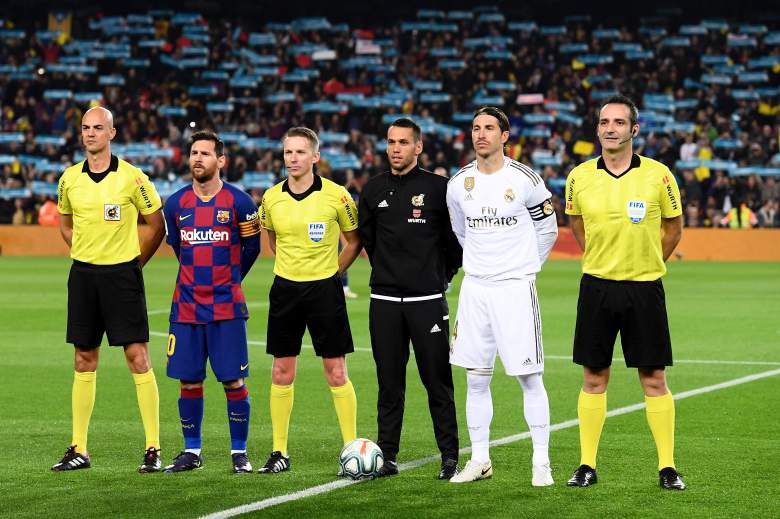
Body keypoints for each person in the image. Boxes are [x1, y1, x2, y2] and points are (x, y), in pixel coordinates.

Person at [564, 94, 686, 491]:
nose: (610, 128)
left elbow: (673, 229)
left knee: (653, 378)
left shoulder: (659, 175)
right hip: (597, 287)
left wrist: (647, 261)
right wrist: (603, 259)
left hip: (644, 287)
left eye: (618, 122)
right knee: (594, 377)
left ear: (634, 129)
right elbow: (578, 226)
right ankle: (586, 465)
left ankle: (667, 467)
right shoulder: (579, 176)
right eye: (604, 122)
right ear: (597, 128)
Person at [446, 107, 558, 486]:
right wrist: (484, 265)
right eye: (476, 128)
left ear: (505, 136)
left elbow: (548, 230)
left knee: (529, 376)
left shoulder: (525, 179)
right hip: (476, 288)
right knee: (475, 379)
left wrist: (523, 268)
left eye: (489, 128)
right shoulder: (458, 183)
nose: (481, 134)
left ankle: (541, 461)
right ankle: (480, 459)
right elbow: (461, 232)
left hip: (514, 288)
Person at [52, 106, 165, 473]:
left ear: (112, 133)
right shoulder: (69, 179)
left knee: (137, 357)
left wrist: (134, 265)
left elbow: (156, 225)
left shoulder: (133, 179)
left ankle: (153, 448)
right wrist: (83, 251)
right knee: (84, 359)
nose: (90, 134)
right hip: (84, 276)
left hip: (122, 276)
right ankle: (79, 448)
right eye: (85, 128)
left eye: (98, 128)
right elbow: (65, 223)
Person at [358, 118, 462, 480]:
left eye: (403, 142)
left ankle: (449, 457)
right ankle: (387, 457)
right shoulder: (371, 190)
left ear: (418, 147)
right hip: (384, 301)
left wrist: (439, 278)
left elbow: (455, 244)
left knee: (438, 382)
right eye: (391, 142)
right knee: (389, 383)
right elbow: (369, 242)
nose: (396, 148)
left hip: (428, 300)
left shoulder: (439, 189)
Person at [258, 127, 362, 474]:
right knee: (281, 370)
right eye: (288, 152)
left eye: (301, 152)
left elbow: (353, 240)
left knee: (336, 371)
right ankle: (279, 451)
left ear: (315, 157)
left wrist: (334, 272)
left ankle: (351, 448)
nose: (293, 158)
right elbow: (272, 241)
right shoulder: (271, 198)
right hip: (286, 289)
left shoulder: (337, 196)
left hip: (324, 291)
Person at [161, 130, 261, 474]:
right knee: (188, 381)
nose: (197, 159)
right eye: (193, 153)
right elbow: (178, 248)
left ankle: (239, 453)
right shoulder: (175, 204)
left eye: (205, 153)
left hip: (227, 307)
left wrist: (229, 280)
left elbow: (252, 249)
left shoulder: (241, 202)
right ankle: (192, 451)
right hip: (186, 306)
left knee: (233, 381)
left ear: (221, 161)